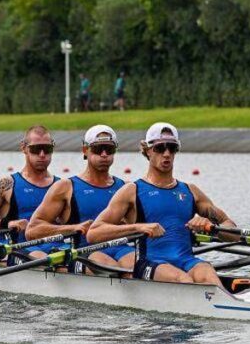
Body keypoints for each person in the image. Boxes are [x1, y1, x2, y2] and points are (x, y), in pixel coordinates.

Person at [88, 122, 236, 285]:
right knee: (183, 280)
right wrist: (138, 228)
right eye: (160, 148)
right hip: (149, 263)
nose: (166, 154)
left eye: (172, 148)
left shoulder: (190, 191)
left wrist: (212, 227)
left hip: (187, 260)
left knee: (209, 275)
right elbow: (94, 233)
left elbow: (232, 230)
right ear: (148, 150)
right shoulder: (132, 191)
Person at [26, 125, 136, 273]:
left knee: (136, 267)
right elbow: (32, 230)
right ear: (85, 150)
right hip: (84, 250)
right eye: (98, 149)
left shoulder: (125, 187)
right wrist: (72, 228)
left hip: (120, 248)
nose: (104, 154)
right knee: (114, 270)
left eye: (109, 149)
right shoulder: (65, 187)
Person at [0, 125, 59, 257]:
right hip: (21, 251)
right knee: (40, 256)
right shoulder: (5, 185)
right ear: (24, 148)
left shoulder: (62, 186)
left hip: (58, 250)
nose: (42, 154)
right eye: (36, 149)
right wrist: (6, 224)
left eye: (47, 149)